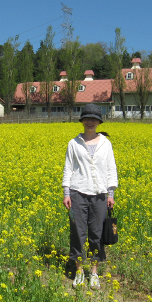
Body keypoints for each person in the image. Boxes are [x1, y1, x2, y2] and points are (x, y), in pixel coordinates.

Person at [62, 103, 118, 289]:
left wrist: (110, 193)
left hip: (100, 195)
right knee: (78, 233)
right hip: (78, 193)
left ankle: (93, 272)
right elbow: (68, 168)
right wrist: (66, 192)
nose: (90, 122)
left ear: (99, 122)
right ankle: (79, 271)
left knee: (97, 234)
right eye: (87, 118)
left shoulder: (106, 144)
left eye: (94, 119)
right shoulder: (73, 143)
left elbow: (111, 168)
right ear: (82, 121)